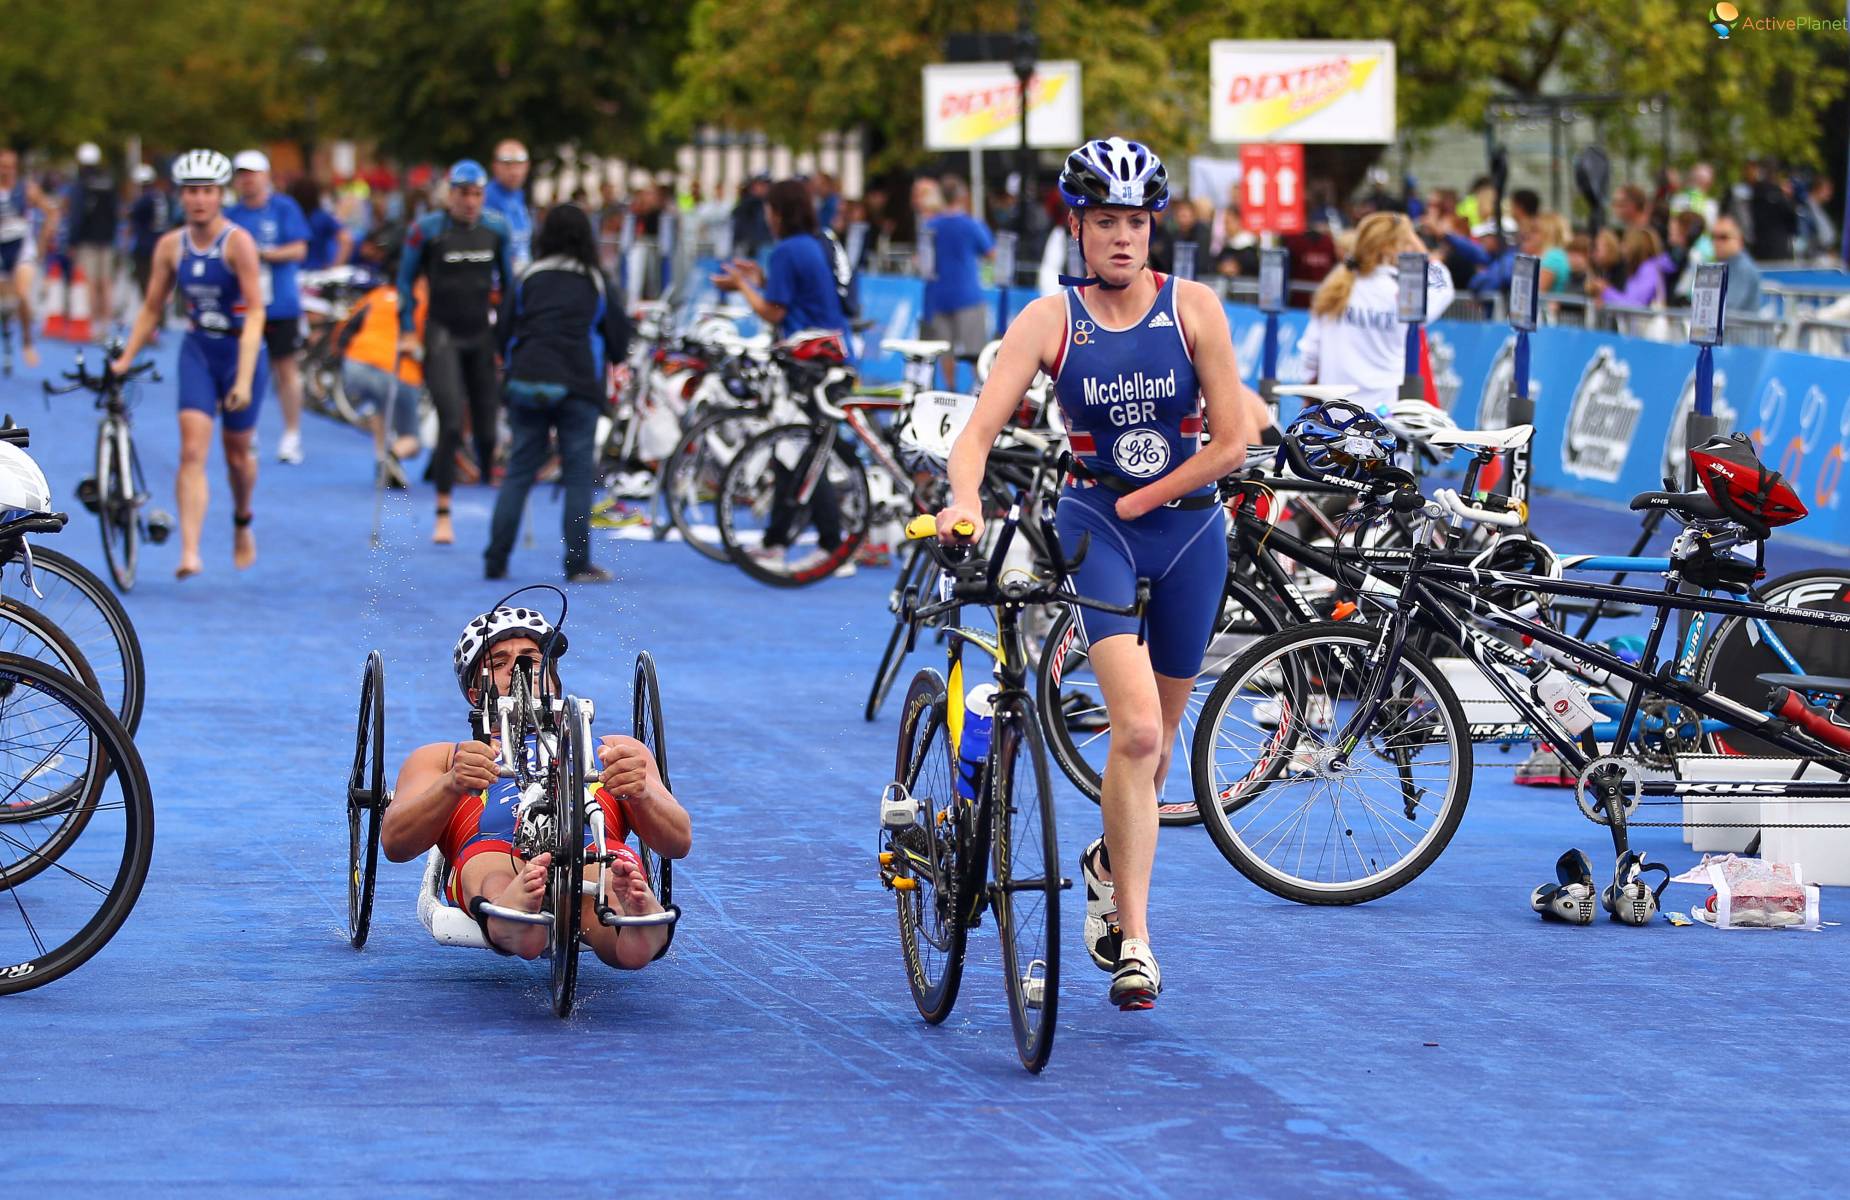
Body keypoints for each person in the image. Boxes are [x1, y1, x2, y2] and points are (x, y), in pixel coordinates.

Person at [936, 138, 1258, 1011]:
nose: (1123, 238)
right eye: (1106, 222)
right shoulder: (1049, 321)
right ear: (1077, 227)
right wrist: (964, 496)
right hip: (1096, 527)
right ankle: (1137, 941)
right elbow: (977, 433)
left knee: (1147, 762)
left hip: (1188, 532)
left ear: (1156, 227)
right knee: (1142, 733)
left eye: (1137, 222)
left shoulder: (1195, 309)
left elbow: (1233, 442)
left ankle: (1106, 863)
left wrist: (1155, 494)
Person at [381, 609, 691, 965]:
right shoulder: (440, 758)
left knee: (609, 874)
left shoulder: (616, 750)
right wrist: (451, 784)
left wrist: (642, 793)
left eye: (530, 659)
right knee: (491, 870)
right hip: (493, 849)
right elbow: (395, 844)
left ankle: (631, 925)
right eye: (499, 662)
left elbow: (677, 841)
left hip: (591, 849)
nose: (517, 669)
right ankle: (513, 912)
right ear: (473, 692)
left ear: (554, 679)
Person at [110, 150, 268, 577]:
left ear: (221, 195)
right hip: (198, 350)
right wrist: (125, 358)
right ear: (182, 196)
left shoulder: (238, 243)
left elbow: (256, 311)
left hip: (240, 353)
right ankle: (191, 550)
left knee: (237, 457)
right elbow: (150, 308)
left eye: (208, 191)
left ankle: (242, 521)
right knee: (192, 450)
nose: (199, 200)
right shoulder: (170, 246)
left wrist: (247, 378)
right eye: (192, 191)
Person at [711, 178, 857, 573]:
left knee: (802, 453)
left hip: (811, 363)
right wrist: (756, 279)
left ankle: (831, 544)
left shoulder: (788, 250)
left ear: (777, 213)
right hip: (829, 355)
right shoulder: (810, 245)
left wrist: (743, 285)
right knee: (794, 451)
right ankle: (779, 540)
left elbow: (774, 311)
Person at [485, 204, 632, 583]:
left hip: (528, 379)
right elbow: (619, 340)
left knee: (519, 469)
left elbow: (503, 332)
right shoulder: (595, 280)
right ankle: (577, 561)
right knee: (578, 475)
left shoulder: (528, 276)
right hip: (578, 383)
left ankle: (496, 558)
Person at [397, 159, 513, 546]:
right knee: (449, 421)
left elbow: (510, 288)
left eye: (477, 194)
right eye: (463, 194)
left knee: (485, 430)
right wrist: (408, 331)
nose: (470, 202)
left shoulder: (496, 228)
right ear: (450, 194)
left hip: (480, 334)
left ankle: (492, 497)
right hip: (442, 334)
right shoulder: (427, 230)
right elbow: (404, 282)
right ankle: (443, 513)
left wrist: (511, 334)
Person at [1299, 212, 1456, 409]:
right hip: (1384, 413)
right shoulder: (1403, 291)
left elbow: (1310, 353)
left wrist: (1309, 392)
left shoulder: (1335, 287)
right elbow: (1443, 286)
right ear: (1393, 248)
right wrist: (1419, 250)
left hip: (1336, 411)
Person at [226, 151, 312, 465]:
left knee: (285, 369)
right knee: (243, 369)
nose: (247, 179)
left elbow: (300, 248)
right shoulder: (232, 214)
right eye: (242, 173)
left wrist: (262, 254)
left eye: (253, 173)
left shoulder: (284, 208)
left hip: (280, 303)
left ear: (266, 176)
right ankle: (247, 431)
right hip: (243, 306)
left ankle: (292, 435)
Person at [338, 230, 426, 487]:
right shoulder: (420, 300)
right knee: (413, 440)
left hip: (356, 365)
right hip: (397, 372)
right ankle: (393, 454)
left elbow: (344, 331)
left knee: (379, 408)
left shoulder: (374, 297)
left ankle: (383, 462)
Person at [919, 177, 994, 389]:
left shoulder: (931, 226)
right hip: (968, 294)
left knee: (946, 351)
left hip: (940, 294)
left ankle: (950, 390)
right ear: (962, 196)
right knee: (976, 350)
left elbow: (924, 260)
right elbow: (990, 252)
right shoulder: (971, 224)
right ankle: (980, 391)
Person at [0, 148, 61, 367]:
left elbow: (52, 212)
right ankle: (6, 324)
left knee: (22, 294)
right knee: (4, 303)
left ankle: (27, 342)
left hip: (22, 248)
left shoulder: (27, 189)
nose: (6, 171)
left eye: (9, 167)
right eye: (2, 166)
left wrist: (44, 238)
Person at [66, 142, 120, 341]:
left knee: (89, 282)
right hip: (107, 239)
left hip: (87, 239)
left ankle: (91, 323)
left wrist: (72, 241)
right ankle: (106, 325)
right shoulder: (108, 181)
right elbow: (116, 212)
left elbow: (77, 214)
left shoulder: (82, 183)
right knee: (106, 282)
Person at [127, 164, 175, 308]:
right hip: (160, 243)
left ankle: (153, 314)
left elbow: (133, 217)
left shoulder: (144, 200)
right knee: (161, 282)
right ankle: (161, 315)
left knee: (147, 284)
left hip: (145, 247)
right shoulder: (161, 197)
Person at [484, 139, 533, 272]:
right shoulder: (485, 198)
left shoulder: (519, 196)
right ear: (495, 166)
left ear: (527, 166)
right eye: (507, 164)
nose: (514, 171)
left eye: (519, 164)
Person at [288, 179, 351, 272]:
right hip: (317, 270)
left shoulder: (292, 218)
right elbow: (346, 240)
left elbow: (346, 240)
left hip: (301, 270)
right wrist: (336, 266)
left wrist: (335, 267)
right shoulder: (322, 216)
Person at [1709, 216, 1763, 316]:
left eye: (1723, 237)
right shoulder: (1721, 265)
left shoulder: (1743, 268)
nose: (1716, 242)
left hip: (1741, 331)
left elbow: (1729, 307)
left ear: (1739, 239)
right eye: (1713, 237)